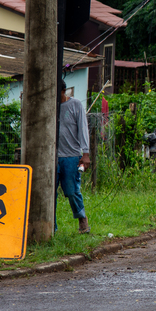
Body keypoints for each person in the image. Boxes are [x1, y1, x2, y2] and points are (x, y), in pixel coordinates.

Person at [57, 80, 91, 234]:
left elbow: (83, 129)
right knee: (50, 193)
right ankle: (52, 228)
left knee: (72, 191)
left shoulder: (75, 105)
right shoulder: (50, 106)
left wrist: (85, 153)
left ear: (63, 91)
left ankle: (82, 219)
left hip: (71, 156)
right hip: (53, 156)